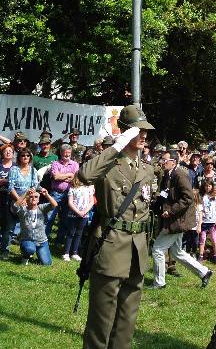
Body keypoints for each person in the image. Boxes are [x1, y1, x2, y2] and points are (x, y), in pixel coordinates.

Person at [77, 105, 155, 349]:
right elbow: (84, 175)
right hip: (111, 244)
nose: (143, 135)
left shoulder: (148, 169)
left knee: (126, 321)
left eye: (145, 131)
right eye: (137, 130)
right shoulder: (108, 164)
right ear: (125, 132)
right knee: (102, 321)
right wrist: (116, 146)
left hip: (137, 249)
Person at [151, 152, 212, 290]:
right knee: (177, 252)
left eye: (165, 160)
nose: (162, 162)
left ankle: (159, 282)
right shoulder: (168, 174)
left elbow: (188, 198)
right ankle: (204, 272)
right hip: (174, 219)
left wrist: (171, 210)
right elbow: (166, 194)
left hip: (178, 220)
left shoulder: (180, 174)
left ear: (174, 161)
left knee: (157, 249)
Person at [14, 186, 58, 265]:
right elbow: (15, 206)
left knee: (47, 263)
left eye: (36, 197)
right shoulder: (23, 210)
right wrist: (25, 194)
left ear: (38, 199)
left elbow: (54, 205)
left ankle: (38, 253)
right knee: (29, 249)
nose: (33, 198)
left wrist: (47, 194)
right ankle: (25, 256)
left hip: (41, 241)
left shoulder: (41, 208)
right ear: (27, 199)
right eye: (31, 197)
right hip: (27, 240)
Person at [45, 144, 79, 243]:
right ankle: (45, 239)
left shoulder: (75, 164)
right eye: (65, 153)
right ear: (61, 153)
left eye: (69, 153)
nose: (67, 155)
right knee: (50, 217)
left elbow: (75, 179)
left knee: (65, 218)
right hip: (55, 193)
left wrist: (62, 176)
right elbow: (55, 177)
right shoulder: (55, 163)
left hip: (69, 195)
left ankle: (59, 241)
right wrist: (69, 175)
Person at [63, 174, 95, 262]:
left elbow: (91, 201)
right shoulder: (72, 188)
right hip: (73, 215)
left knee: (79, 234)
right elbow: (70, 202)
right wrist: (78, 212)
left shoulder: (89, 189)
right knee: (71, 233)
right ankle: (66, 253)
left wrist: (85, 212)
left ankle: (74, 252)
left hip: (84, 215)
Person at [198, 180, 216, 263]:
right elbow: (200, 209)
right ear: (204, 187)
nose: (208, 188)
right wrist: (200, 222)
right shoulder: (202, 196)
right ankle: (201, 255)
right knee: (202, 238)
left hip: (212, 221)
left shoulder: (215, 197)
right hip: (204, 221)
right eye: (206, 186)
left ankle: (215, 255)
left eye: (209, 186)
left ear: (212, 187)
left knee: (214, 239)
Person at [0, 143, 15, 259]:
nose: (8, 152)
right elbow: (11, 181)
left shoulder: (16, 167)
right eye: (6, 151)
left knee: (8, 227)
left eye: (10, 151)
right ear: (2, 153)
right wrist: (8, 180)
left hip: (10, 199)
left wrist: (3, 181)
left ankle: (5, 249)